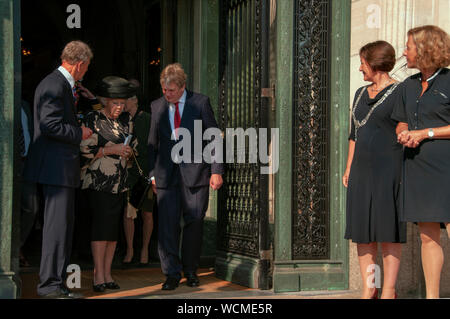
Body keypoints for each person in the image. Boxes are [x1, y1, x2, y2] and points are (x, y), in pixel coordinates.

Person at [23, 40, 93, 298]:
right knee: (57, 228)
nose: (85, 72)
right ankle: (50, 286)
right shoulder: (55, 85)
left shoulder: (58, 84)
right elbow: (50, 125)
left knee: (61, 227)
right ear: (79, 64)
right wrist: (80, 132)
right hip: (55, 169)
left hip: (58, 169)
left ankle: (55, 284)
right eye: (86, 68)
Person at [148, 63, 224, 290]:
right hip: (165, 176)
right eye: (164, 90)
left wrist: (216, 170)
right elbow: (152, 144)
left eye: (171, 90)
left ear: (182, 87)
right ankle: (171, 273)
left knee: (194, 224)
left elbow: (214, 138)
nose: (167, 94)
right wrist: (152, 175)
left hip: (196, 174)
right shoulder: (156, 106)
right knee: (167, 227)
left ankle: (191, 270)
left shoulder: (200, 103)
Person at [343, 41, 406, 299]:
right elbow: (353, 134)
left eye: (363, 63)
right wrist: (348, 167)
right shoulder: (359, 93)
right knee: (363, 233)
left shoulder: (401, 92)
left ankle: (389, 290)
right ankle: (371, 287)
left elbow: (403, 127)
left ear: (375, 63)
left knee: (387, 231)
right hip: (360, 171)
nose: (360, 68)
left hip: (388, 170)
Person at [392, 25, 450, 299]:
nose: (404, 52)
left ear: (426, 49)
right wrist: (404, 135)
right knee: (427, 236)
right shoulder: (408, 85)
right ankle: (433, 297)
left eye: (408, 46)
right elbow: (402, 122)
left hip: (446, 166)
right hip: (417, 165)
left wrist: (426, 133)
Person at [80, 76, 135, 293]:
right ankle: (97, 276)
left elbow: (134, 145)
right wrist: (111, 150)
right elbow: (84, 150)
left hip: (119, 183)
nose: (119, 107)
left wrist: (129, 152)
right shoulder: (92, 118)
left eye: (122, 102)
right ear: (104, 101)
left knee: (112, 233)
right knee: (101, 231)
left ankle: (108, 274)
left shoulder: (125, 120)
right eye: (115, 103)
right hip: (98, 183)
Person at [122, 82, 154, 267]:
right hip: (129, 172)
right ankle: (130, 250)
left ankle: (144, 249)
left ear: (134, 100)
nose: (122, 103)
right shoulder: (122, 120)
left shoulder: (148, 119)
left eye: (125, 99)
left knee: (147, 213)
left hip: (146, 171)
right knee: (129, 213)